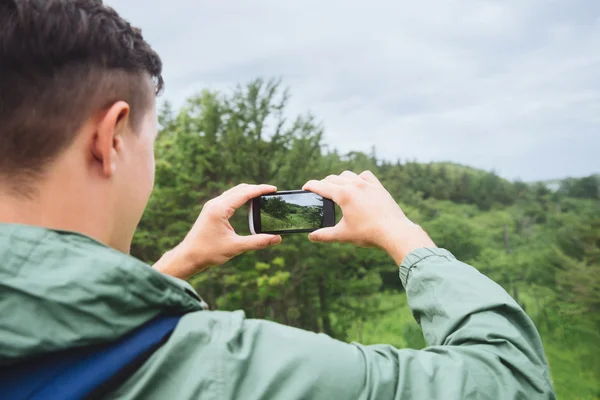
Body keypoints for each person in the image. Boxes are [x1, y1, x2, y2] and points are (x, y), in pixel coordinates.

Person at [0, 0, 556, 398]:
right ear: (112, 138)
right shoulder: (228, 370)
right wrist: (404, 235)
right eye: (151, 141)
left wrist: (174, 267)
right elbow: (510, 380)